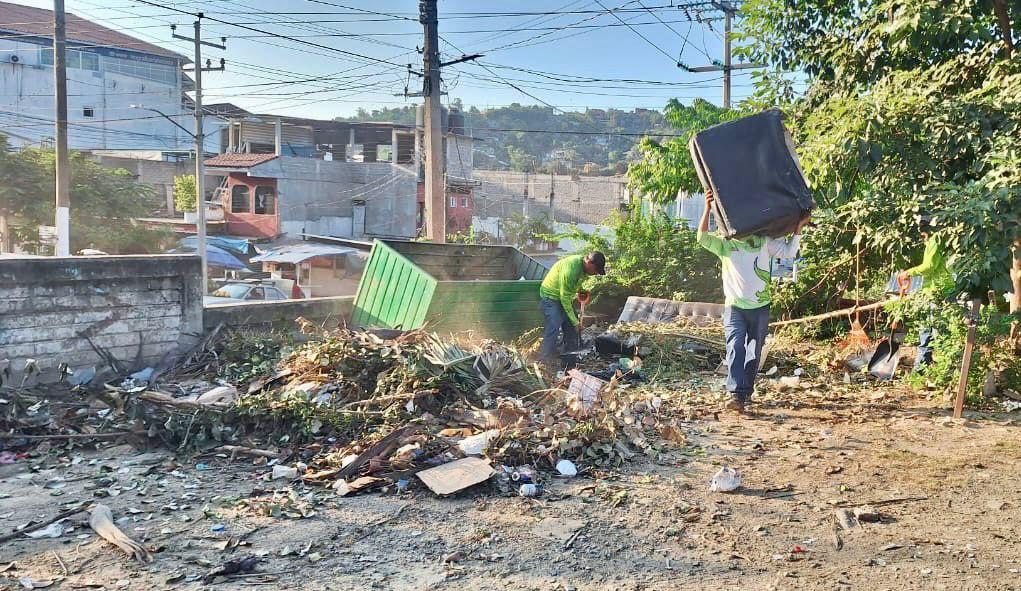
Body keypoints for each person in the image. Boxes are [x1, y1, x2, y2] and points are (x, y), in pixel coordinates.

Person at [697, 189, 810, 412]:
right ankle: (736, 394)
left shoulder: (764, 242)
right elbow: (701, 237)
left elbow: (788, 252)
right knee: (736, 346)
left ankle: (746, 393)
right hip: (735, 307)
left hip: (760, 306)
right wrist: (707, 208)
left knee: (752, 351)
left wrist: (799, 228)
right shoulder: (726, 244)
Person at [897, 215, 951, 372]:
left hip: (939, 291)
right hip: (931, 291)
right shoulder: (934, 241)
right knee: (926, 331)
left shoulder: (936, 240)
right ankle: (921, 371)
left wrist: (909, 272)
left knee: (936, 332)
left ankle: (944, 371)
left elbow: (929, 266)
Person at [538, 251, 606, 366]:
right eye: (595, 270)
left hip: (563, 298)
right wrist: (575, 322)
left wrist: (581, 290)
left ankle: (569, 360)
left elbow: (574, 284)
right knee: (554, 326)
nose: (595, 273)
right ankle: (544, 361)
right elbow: (564, 297)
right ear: (589, 262)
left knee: (572, 329)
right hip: (550, 298)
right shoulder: (571, 269)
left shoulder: (583, 270)